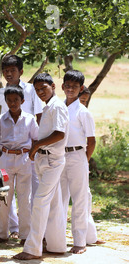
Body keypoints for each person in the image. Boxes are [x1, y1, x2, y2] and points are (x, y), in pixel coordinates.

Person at [0, 54, 43, 238]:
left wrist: (32, 154)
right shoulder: (1, 97)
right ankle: (8, 231)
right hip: (7, 155)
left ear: (21, 71)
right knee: (5, 197)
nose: (9, 74)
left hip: (26, 154)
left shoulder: (30, 90)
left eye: (13, 70)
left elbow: (38, 116)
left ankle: (26, 233)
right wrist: (1, 155)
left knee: (26, 196)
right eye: (6, 71)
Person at [14, 73, 69, 260]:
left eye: (43, 88)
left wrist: (37, 145)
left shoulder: (57, 106)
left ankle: (32, 249)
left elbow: (59, 134)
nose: (40, 92)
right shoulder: (49, 107)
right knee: (52, 204)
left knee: (39, 202)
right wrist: (37, 149)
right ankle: (57, 245)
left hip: (53, 160)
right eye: (37, 90)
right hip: (44, 160)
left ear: (53, 86)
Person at [60, 70, 101, 254]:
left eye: (74, 87)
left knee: (79, 200)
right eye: (67, 86)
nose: (70, 89)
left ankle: (80, 242)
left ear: (81, 89)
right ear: (62, 87)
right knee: (59, 200)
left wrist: (83, 161)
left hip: (78, 156)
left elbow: (91, 141)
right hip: (59, 156)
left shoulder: (83, 112)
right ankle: (57, 239)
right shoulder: (58, 108)